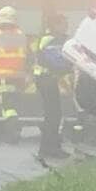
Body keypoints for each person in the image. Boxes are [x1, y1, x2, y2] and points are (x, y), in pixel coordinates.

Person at [34, 13, 72, 160]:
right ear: (55, 25)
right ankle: (49, 149)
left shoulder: (55, 39)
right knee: (53, 115)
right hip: (46, 80)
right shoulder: (49, 40)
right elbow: (53, 61)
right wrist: (68, 67)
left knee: (54, 114)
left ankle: (50, 148)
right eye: (63, 24)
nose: (66, 27)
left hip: (48, 79)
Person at [0, 6, 29, 122]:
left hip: (2, 76)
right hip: (20, 78)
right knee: (12, 102)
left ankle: (10, 128)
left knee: (7, 105)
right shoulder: (22, 36)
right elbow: (30, 57)